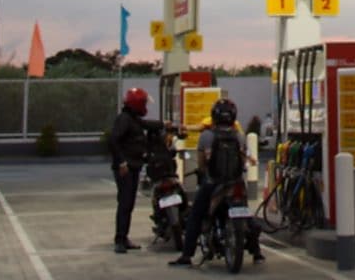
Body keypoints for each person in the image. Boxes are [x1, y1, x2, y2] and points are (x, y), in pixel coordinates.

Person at [168, 98, 264, 266]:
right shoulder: (240, 136)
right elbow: (243, 161)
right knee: (246, 213)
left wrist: (205, 172)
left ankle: (186, 256)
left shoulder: (206, 136)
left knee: (195, 215)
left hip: (213, 183)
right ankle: (257, 253)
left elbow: (201, 164)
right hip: (236, 183)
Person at [109, 87, 164, 254]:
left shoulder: (132, 118)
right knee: (125, 203)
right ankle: (119, 239)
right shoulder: (124, 120)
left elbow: (146, 124)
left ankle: (124, 237)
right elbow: (114, 141)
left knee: (129, 203)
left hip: (133, 166)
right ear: (138, 104)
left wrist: (166, 124)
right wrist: (122, 162)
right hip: (126, 168)